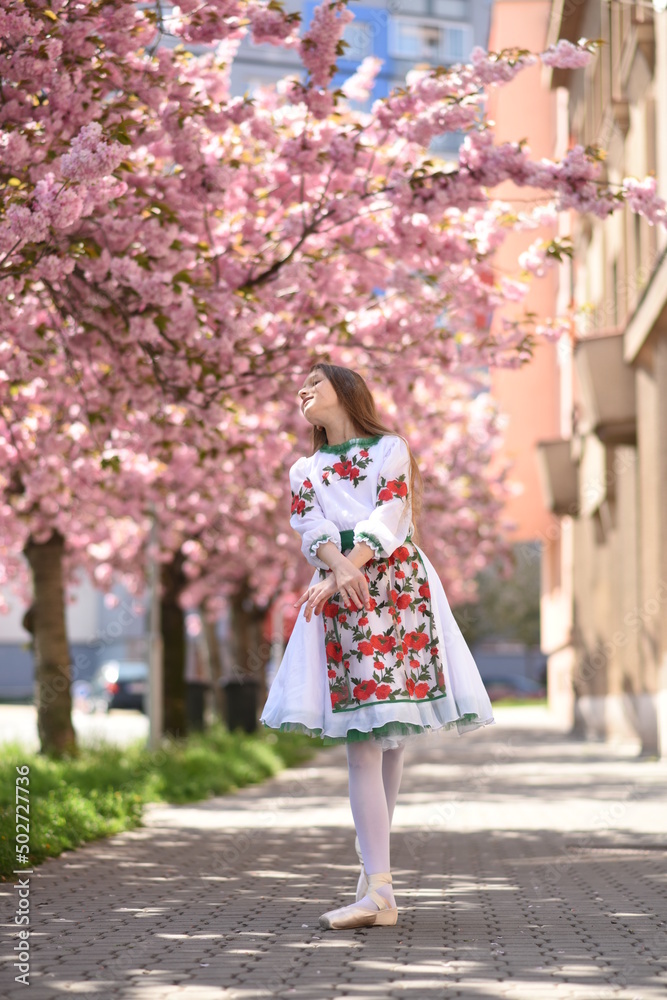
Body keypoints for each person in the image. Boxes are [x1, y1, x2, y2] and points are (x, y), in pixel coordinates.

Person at [260, 362, 495, 930]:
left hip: (394, 589)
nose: (303, 391)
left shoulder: (391, 449)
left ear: (345, 391)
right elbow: (309, 531)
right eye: (300, 385)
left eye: (314, 382)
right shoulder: (303, 470)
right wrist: (339, 569)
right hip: (345, 592)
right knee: (367, 737)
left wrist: (347, 567)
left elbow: (391, 516)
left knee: (384, 740)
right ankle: (378, 884)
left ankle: (377, 886)